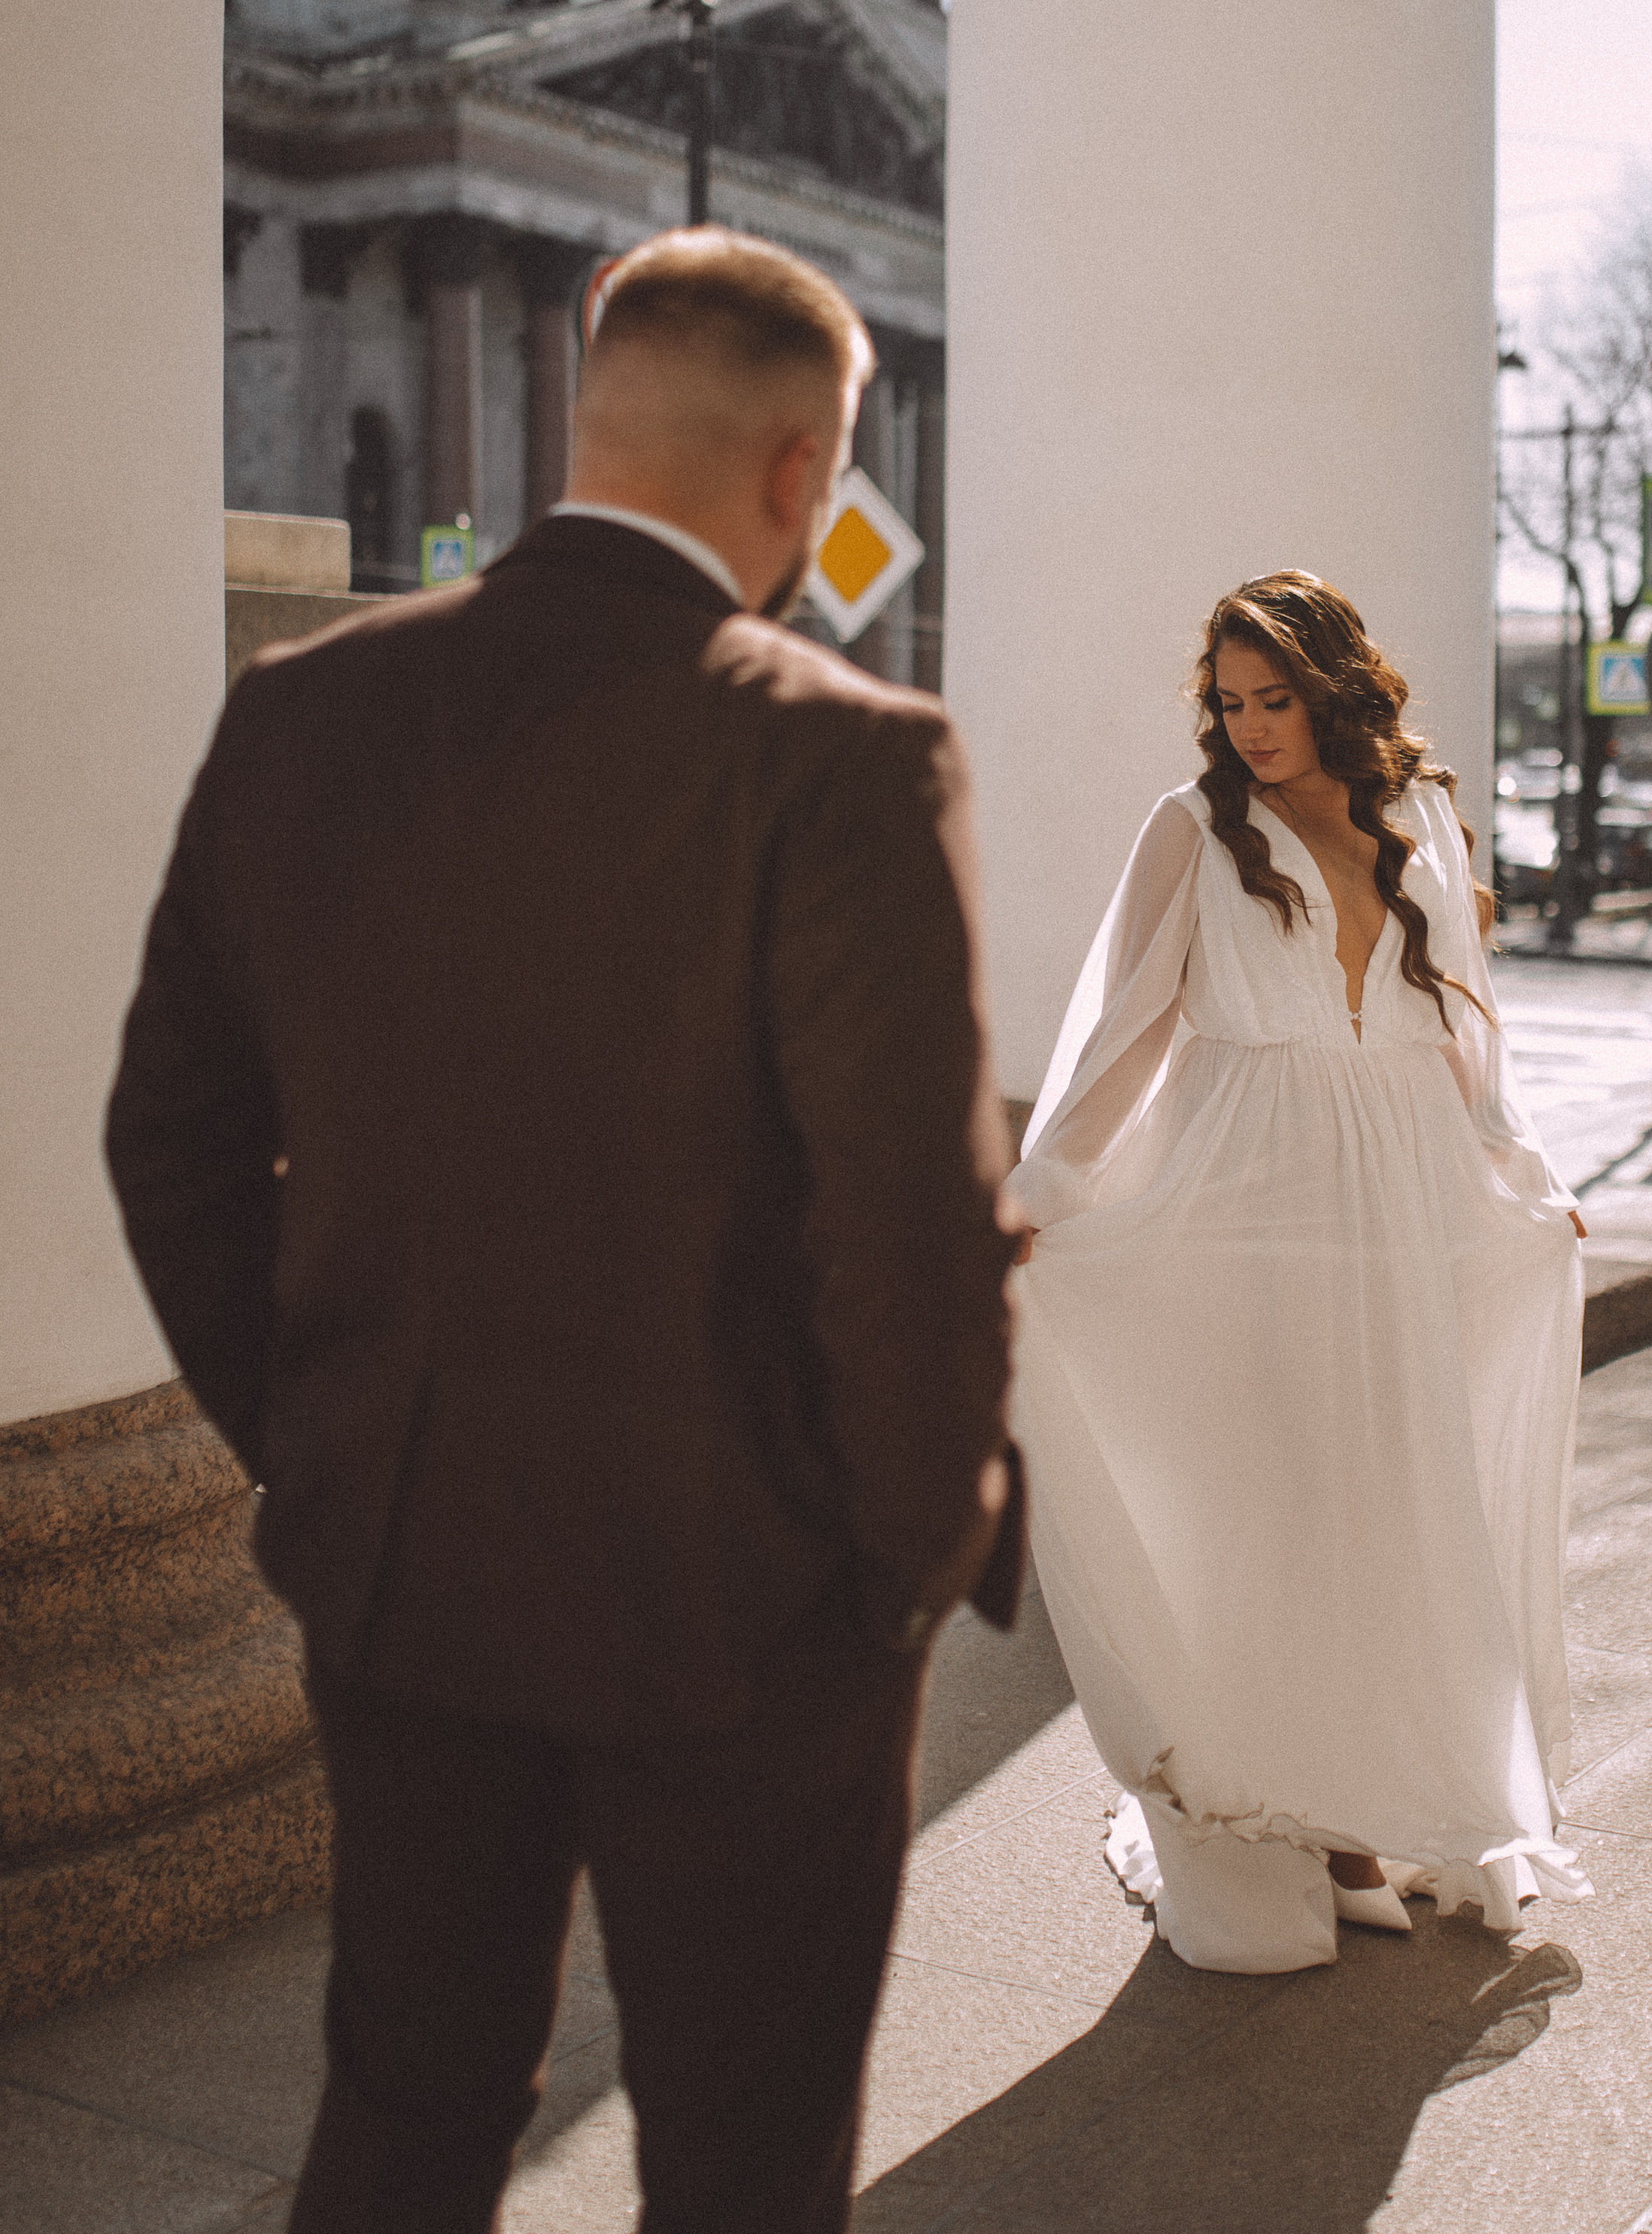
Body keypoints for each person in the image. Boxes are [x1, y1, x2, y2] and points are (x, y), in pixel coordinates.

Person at [105, 227, 1022, 2234]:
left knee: (411, 2101)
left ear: (589, 419)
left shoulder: (302, 709)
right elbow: (913, 1224)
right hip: (752, 1591)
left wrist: (326, 1436)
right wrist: (907, 1552)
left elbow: (168, 1139)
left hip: (406, 1559)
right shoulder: (843, 750)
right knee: (743, 2154)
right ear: (802, 471)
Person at [1004, 571, 1590, 1976]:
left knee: (1395, 1505)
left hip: (1408, 1192)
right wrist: (1041, 1190)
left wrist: (1524, 1174)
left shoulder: (1422, 812)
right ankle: (1325, 1833)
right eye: (1228, 700)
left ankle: (1391, 1795)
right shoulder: (1192, 827)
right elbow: (1128, 1032)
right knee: (1283, 1507)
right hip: (1249, 1190)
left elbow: (1465, 1023)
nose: (1250, 725)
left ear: (1336, 684)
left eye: (1274, 697)